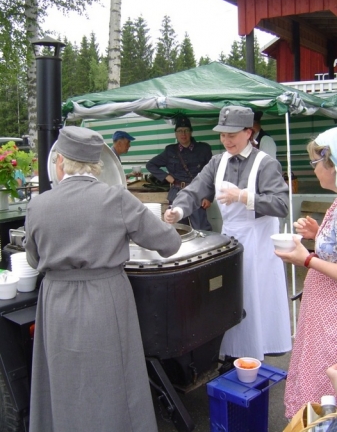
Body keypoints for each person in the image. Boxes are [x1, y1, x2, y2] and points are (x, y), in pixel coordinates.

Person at [24, 126, 181, 432]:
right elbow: (169, 243)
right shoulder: (117, 198)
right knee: (112, 377)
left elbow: (33, 259)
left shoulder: (38, 204)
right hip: (106, 297)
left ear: (60, 162)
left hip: (56, 301)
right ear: (97, 165)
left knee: (62, 376)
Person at [164, 106, 292, 362]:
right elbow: (195, 189)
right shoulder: (216, 162)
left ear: (248, 132)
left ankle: (259, 349)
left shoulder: (265, 163)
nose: (226, 140)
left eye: (232, 134)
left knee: (256, 296)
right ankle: (233, 353)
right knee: (231, 295)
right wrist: (177, 210)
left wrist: (244, 196)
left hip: (260, 242)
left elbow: (282, 204)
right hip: (231, 239)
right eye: (222, 135)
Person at [274, 127, 337, 419]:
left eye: (315, 162)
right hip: (321, 304)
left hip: (332, 310)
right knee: (314, 364)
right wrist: (317, 235)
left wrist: (307, 259)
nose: (313, 169)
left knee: (325, 371)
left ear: (333, 163)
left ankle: (321, 421)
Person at [146, 115, 213, 230]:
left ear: (191, 132)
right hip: (176, 194)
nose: (183, 134)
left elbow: (212, 175)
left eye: (186, 130)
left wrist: (209, 196)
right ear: (175, 134)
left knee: (201, 229)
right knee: (179, 229)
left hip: (197, 194)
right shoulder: (170, 151)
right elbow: (150, 165)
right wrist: (166, 176)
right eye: (180, 131)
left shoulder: (203, 149)